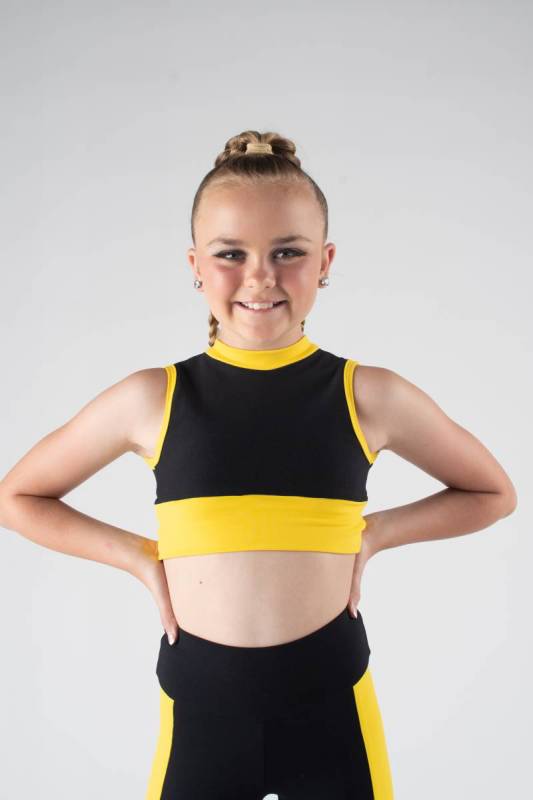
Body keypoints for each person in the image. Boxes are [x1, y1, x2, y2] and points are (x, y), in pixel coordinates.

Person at [0, 129, 517, 800]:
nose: (260, 277)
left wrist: (374, 534)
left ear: (325, 260)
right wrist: (140, 558)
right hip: (200, 712)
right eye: (230, 254)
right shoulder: (154, 398)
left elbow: (492, 492)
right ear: (195, 263)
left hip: (332, 705)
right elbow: (18, 497)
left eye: (287, 252)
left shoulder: (367, 394)